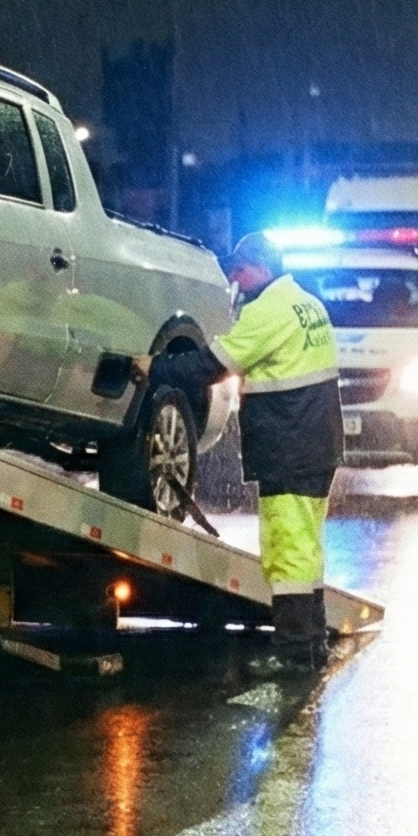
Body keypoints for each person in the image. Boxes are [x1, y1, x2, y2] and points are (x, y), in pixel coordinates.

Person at [143, 231, 342, 656]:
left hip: (290, 443)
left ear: (263, 268)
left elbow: (216, 363)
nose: (235, 276)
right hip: (316, 440)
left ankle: (293, 651)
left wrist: (158, 369)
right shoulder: (307, 303)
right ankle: (312, 643)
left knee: (286, 551)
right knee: (304, 547)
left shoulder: (270, 310)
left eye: (241, 268)